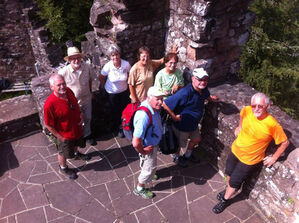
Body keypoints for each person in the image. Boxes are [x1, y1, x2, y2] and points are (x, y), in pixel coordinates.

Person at [212, 92, 289, 214]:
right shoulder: (247, 110)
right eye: (254, 105)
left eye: (260, 106)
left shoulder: (272, 124)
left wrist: (274, 158)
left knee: (234, 182)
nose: (256, 109)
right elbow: (242, 115)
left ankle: (225, 200)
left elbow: (285, 143)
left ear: (267, 106)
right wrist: (239, 126)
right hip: (236, 149)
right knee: (229, 173)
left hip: (249, 159)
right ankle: (228, 189)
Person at [163, 68, 218, 167]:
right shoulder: (185, 93)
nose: (203, 82)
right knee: (179, 144)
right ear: (193, 79)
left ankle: (187, 156)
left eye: (205, 79)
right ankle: (177, 158)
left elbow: (207, 96)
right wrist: (174, 117)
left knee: (196, 139)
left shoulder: (203, 89)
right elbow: (165, 103)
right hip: (182, 125)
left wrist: (211, 99)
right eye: (200, 79)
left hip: (193, 124)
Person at [44, 74, 91, 180]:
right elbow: (49, 124)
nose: (62, 87)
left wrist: (81, 114)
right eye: (58, 85)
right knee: (63, 152)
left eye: (63, 83)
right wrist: (60, 137)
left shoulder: (68, 91)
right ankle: (63, 168)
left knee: (77, 143)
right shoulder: (49, 104)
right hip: (64, 134)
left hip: (76, 127)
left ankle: (76, 154)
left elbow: (75, 103)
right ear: (52, 87)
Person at [58, 46, 96, 145]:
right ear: (69, 60)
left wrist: (91, 91)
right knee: (76, 121)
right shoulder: (63, 72)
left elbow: (91, 80)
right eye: (73, 58)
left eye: (78, 57)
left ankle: (87, 135)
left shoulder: (87, 67)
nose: (76, 60)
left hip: (86, 98)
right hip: (73, 102)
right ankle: (79, 138)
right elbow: (57, 86)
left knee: (88, 117)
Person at [132, 86, 164, 199]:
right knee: (149, 168)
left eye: (162, 98)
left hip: (151, 144)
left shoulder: (152, 106)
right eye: (157, 99)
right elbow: (136, 142)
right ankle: (139, 188)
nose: (161, 102)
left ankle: (149, 172)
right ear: (149, 98)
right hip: (148, 147)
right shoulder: (143, 116)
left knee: (148, 163)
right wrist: (144, 151)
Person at [99, 45, 131, 137]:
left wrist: (128, 83)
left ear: (119, 54)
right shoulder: (107, 66)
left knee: (124, 110)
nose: (115, 57)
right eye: (112, 55)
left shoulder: (126, 64)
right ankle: (117, 127)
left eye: (116, 54)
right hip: (112, 93)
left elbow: (131, 74)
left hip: (124, 92)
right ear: (110, 56)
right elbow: (101, 77)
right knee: (114, 111)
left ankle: (123, 127)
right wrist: (105, 86)